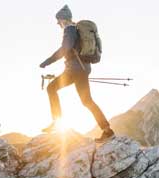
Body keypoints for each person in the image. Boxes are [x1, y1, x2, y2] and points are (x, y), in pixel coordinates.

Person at [39, 5, 115, 142]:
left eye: (58, 20)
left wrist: (47, 61)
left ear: (63, 19)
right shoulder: (76, 30)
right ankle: (107, 131)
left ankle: (57, 123)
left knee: (51, 88)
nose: (57, 23)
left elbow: (65, 48)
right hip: (81, 68)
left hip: (75, 70)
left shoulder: (69, 30)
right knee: (87, 101)